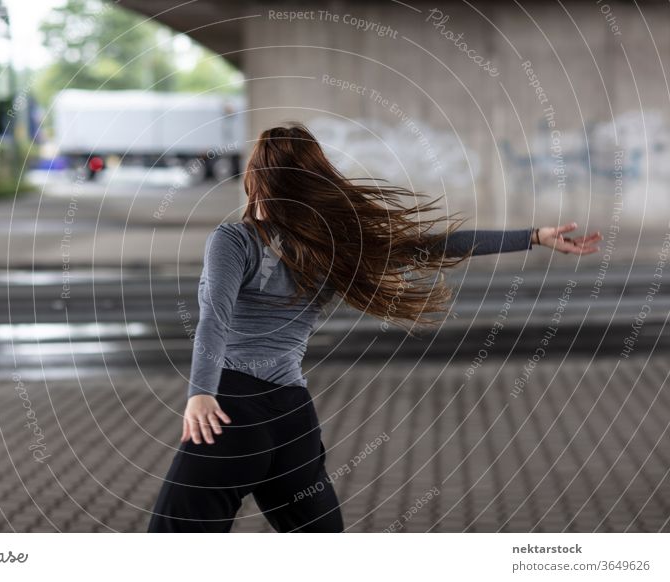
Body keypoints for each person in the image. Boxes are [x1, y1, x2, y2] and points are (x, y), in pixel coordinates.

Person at [147, 123, 602, 533]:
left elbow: (215, 318)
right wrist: (534, 236)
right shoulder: (334, 246)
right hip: (291, 417)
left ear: (256, 178)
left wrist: (201, 393)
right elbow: (435, 246)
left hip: (231, 410)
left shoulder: (235, 240)